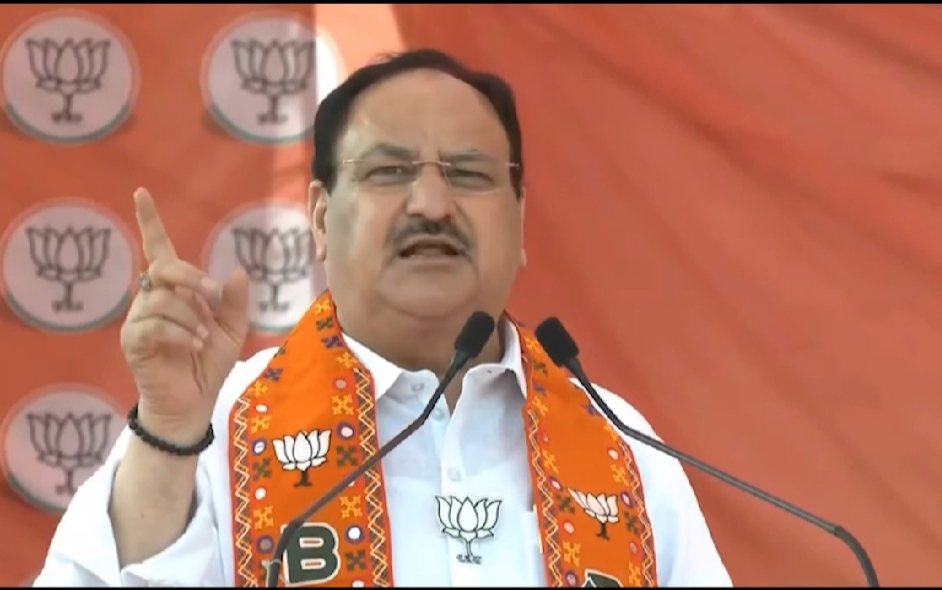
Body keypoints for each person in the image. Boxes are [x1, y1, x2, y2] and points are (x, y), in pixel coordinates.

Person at [33, 49, 731, 588]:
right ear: (319, 219)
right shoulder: (213, 427)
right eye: (390, 172)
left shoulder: (622, 448)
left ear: (520, 221)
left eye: (468, 173)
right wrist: (167, 435)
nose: (431, 203)